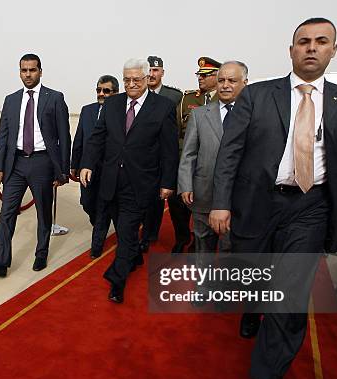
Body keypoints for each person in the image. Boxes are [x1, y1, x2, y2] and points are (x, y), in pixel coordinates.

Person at [209, 18, 337, 379]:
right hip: (257, 203)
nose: (312, 48)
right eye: (304, 42)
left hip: (311, 208)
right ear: (291, 50)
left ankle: (268, 375)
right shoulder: (257, 96)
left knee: (290, 296)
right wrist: (221, 202)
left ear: (334, 50)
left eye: (322, 42)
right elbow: (230, 151)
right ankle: (252, 308)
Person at [80, 58, 178, 304]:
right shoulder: (112, 104)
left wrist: (168, 182)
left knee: (125, 231)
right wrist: (87, 164)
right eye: (127, 80)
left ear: (147, 79)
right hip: (110, 180)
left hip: (141, 182)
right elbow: (97, 138)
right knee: (122, 227)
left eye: (136, 79)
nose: (131, 84)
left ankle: (117, 280)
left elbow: (169, 150)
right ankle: (135, 258)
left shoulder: (163, 107)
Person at [0, 54, 71, 277]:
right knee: (6, 213)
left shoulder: (55, 98)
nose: (28, 74)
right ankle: (1, 262)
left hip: (42, 163)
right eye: (24, 70)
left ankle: (41, 254)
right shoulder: (11, 99)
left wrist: (62, 170)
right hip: (16, 164)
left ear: (40, 71)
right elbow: (3, 135)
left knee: (43, 213)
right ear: (19, 72)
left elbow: (64, 137)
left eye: (32, 70)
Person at [178, 61, 248, 253]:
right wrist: (185, 185)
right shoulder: (199, 115)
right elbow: (188, 154)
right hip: (203, 195)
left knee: (230, 248)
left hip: (237, 197)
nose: (225, 85)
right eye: (221, 80)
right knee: (203, 246)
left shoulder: (253, 115)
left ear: (245, 83)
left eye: (232, 81)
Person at [139, 56, 190, 254]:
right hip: (147, 160)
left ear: (162, 73)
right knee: (150, 202)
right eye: (149, 70)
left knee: (177, 204)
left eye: (155, 70)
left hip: (170, 158)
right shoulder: (138, 94)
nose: (152, 74)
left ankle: (182, 238)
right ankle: (148, 235)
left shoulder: (175, 96)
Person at [70, 75, 119, 258]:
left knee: (103, 205)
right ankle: (101, 222)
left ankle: (96, 245)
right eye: (99, 90)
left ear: (115, 92)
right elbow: (79, 139)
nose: (101, 94)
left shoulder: (121, 112)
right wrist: (74, 165)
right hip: (87, 169)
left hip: (109, 170)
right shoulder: (87, 110)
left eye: (106, 91)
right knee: (87, 203)